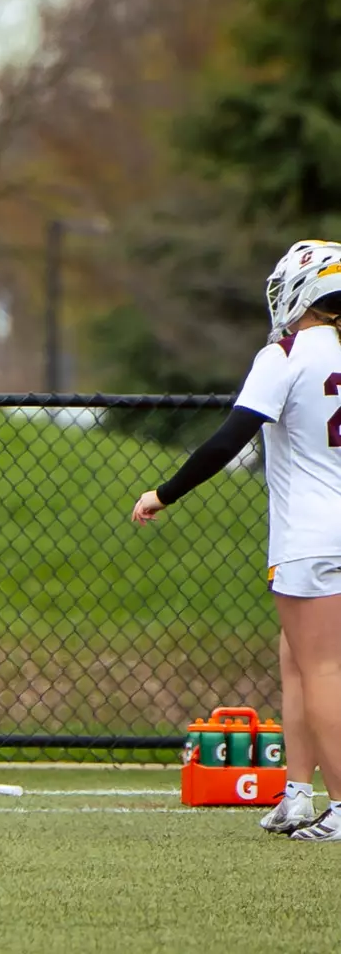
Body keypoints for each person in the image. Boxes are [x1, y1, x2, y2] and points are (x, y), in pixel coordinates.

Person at [131, 239, 341, 843]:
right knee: (297, 662)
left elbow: (228, 441)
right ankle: (298, 794)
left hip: (309, 537)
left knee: (322, 669)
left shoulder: (286, 354)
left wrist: (163, 493)